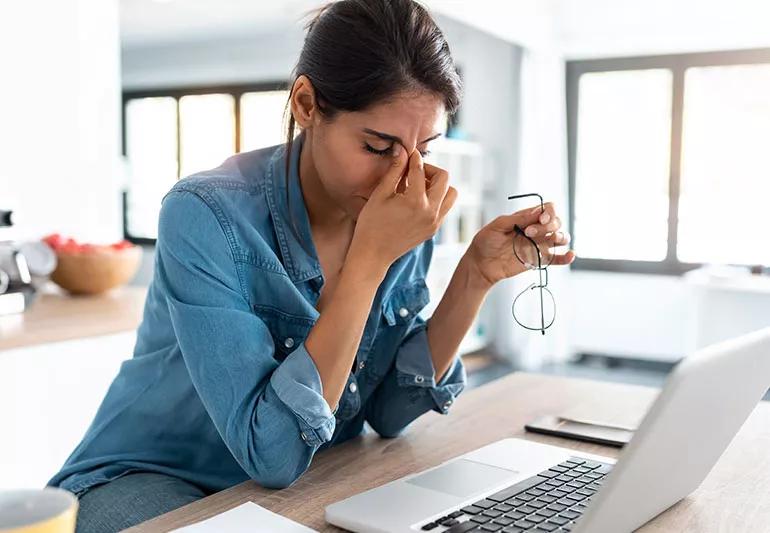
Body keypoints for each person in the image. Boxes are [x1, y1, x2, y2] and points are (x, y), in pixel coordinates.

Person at [48, 0, 574, 530]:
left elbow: (391, 413)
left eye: (425, 148)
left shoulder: (395, 210)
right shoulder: (205, 213)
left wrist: (474, 276)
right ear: (305, 103)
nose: (404, 178)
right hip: (152, 476)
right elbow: (271, 453)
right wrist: (369, 260)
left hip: (298, 480)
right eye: (377, 145)